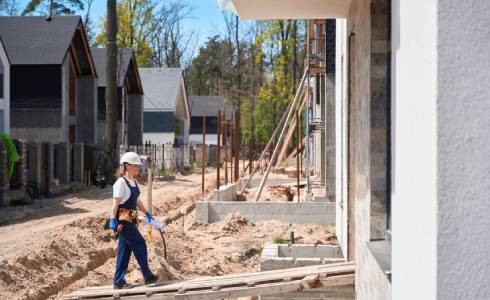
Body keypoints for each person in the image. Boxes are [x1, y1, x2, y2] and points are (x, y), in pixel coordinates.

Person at [108, 152, 159, 289]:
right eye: (135, 165)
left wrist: (147, 212)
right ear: (126, 165)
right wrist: (112, 220)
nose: (137, 168)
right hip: (123, 220)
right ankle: (147, 276)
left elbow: (137, 200)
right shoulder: (120, 183)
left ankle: (118, 281)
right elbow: (115, 204)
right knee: (140, 243)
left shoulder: (134, 182)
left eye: (138, 165)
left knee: (125, 251)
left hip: (131, 219)